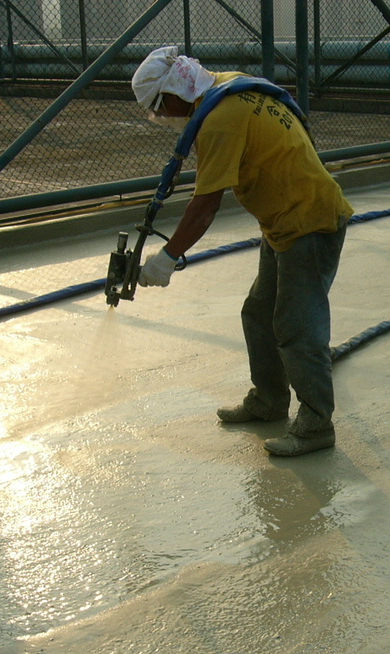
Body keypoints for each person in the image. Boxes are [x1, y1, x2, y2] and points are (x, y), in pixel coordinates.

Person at [130, 47, 353, 456]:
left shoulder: (219, 121)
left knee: (296, 327)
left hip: (309, 221)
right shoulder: (227, 85)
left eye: (160, 108)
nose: (163, 117)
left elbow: (205, 205)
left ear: (175, 88)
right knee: (258, 312)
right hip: (283, 221)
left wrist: (167, 258)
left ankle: (317, 424)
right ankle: (269, 401)